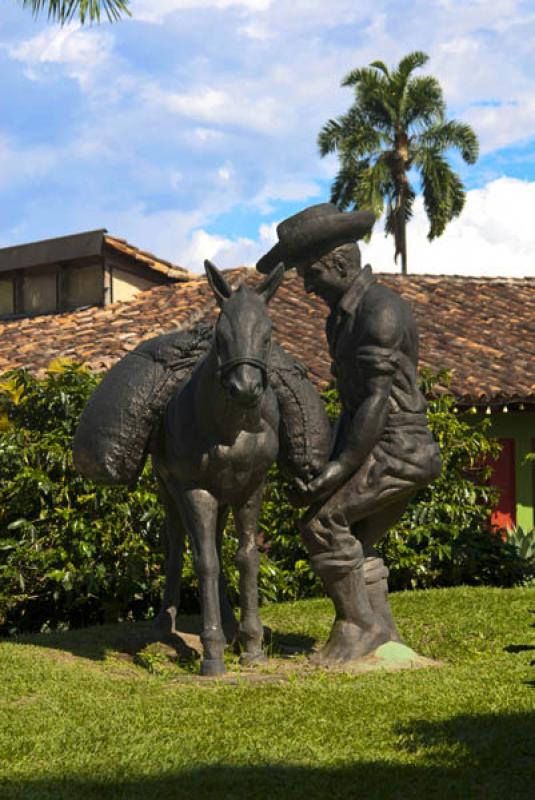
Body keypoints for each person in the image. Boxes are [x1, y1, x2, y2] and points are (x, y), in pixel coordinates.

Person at [257, 203, 441, 663]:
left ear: (338, 263)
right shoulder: (342, 316)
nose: (306, 284)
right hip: (381, 447)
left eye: (310, 272)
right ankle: (381, 631)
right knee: (354, 533)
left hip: (399, 449)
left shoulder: (380, 311)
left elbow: (376, 404)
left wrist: (338, 468)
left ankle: (358, 628)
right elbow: (354, 405)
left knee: (322, 523)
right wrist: (329, 462)